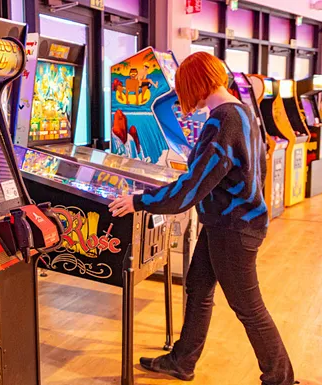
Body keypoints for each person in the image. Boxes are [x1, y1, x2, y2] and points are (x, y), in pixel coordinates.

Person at [108, 52, 296, 385]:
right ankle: (182, 361)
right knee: (198, 288)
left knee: (248, 307)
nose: (181, 98)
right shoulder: (243, 110)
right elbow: (254, 168)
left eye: (182, 88)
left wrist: (138, 201)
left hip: (233, 228)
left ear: (194, 84)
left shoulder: (221, 120)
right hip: (231, 221)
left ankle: (280, 378)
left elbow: (190, 188)